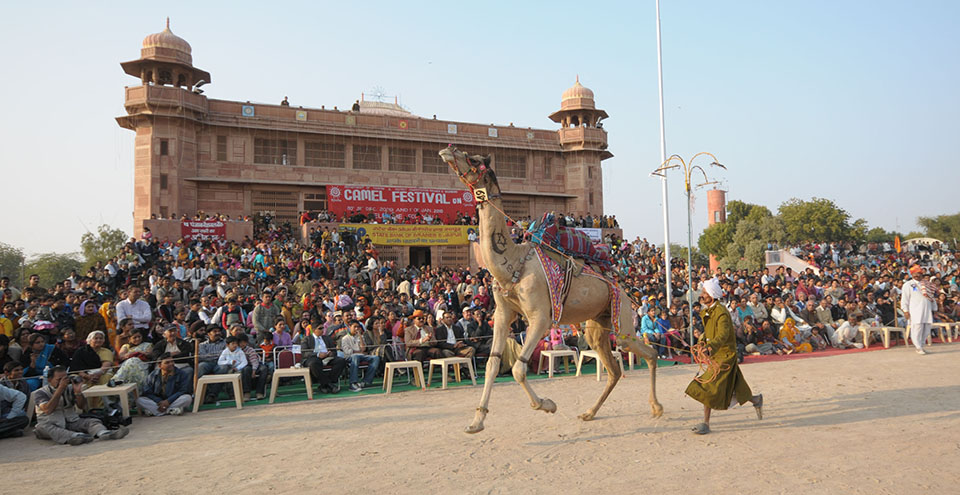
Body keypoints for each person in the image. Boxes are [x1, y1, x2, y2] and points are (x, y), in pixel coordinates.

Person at [685, 278, 763, 435]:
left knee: (708, 385)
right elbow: (709, 332)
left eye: (704, 293)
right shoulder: (709, 311)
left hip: (724, 355)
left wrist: (709, 346)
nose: (701, 295)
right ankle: (756, 400)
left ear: (712, 296)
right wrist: (702, 342)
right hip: (716, 354)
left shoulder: (721, 313)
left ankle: (706, 423)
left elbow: (723, 334)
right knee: (736, 386)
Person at [33, 366, 129, 445]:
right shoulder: (40, 393)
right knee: (46, 428)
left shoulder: (70, 388)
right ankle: (75, 436)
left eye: (65, 379)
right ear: (49, 380)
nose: (63, 382)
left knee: (92, 421)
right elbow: (48, 410)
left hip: (70, 421)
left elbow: (82, 406)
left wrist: (78, 392)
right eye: (59, 379)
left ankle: (104, 433)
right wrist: (60, 389)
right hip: (50, 423)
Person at [901, 265, 937, 355]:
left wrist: (934, 308)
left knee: (926, 328)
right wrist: (905, 310)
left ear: (921, 274)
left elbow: (932, 297)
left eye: (918, 273)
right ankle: (918, 347)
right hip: (915, 310)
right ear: (912, 274)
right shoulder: (908, 285)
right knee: (917, 328)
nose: (916, 275)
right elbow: (905, 298)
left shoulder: (927, 284)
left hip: (927, 310)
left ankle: (922, 345)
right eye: (914, 273)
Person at [301, 323, 346, 394]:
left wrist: (330, 353)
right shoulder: (307, 339)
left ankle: (324, 385)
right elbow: (304, 353)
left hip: (327, 357)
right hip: (314, 358)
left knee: (341, 361)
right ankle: (329, 385)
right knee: (314, 363)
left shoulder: (327, 338)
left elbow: (334, 350)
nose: (322, 330)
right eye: (320, 328)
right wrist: (318, 354)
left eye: (323, 328)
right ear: (313, 330)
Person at [341, 322, 380, 391]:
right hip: (350, 357)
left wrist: (360, 336)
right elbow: (347, 351)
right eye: (354, 327)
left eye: (358, 327)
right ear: (350, 326)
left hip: (361, 356)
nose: (356, 329)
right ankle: (353, 383)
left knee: (376, 358)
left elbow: (363, 348)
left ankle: (365, 381)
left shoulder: (360, 336)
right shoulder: (345, 338)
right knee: (355, 357)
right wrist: (359, 352)